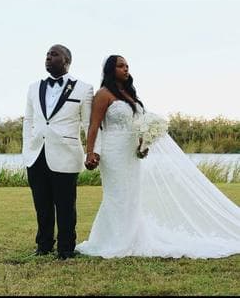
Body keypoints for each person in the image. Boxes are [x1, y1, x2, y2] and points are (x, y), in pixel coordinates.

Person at [76, 55, 240, 259]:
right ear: (111, 69)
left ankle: (132, 237)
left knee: (132, 195)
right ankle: (113, 240)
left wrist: (143, 145)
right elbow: (94, 125)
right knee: (116, 195)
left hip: (131, 152)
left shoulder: (129, 94)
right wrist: (91, 152)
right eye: (121, 66)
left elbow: (136, 125)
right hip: (113, 151)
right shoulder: (103, 94)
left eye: (127, 66)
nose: (126, 69)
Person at [22, 44, 100, 260]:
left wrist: (93, 152)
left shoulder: (84, 89)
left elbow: (89, 124)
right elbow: (28, 120)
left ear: (66, 60)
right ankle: (44, 245)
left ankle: (66, 248)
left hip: (66, 154)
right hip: (36, 154)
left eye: (54, 54)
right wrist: (26, 149)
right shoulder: (33, 87)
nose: (48, 58)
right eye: (46, 54)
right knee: (42, 205)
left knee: (66, 206)